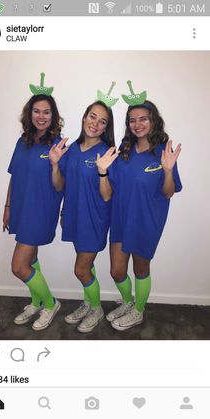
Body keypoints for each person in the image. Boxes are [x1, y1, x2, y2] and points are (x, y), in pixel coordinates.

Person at [102, 83, 182, 330]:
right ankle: (128, 301)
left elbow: (168, 192)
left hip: (147, 220)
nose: (137, 124)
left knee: (140, 267)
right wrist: (102, 172)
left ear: (153, 121)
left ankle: (138, 310)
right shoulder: (123, 152)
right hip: (121, 219)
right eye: (132, 120)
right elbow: (107, 195)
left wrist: (168, 171)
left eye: (143, 119)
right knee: (117, 271)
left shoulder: (163, 152)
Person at [50, 99, 119, 333]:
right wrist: (55, 165)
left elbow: (108, 196)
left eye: (102, 121)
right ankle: (89, 302)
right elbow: (60, 186)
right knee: (85, 267)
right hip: (74, 216)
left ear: (106, 127)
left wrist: (102, 171)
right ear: (84, 117)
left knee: (80, 269)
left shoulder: (107, 153)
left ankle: (97, 308)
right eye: (92, 116)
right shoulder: (71, 150)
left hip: (95, 219)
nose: (95, 123)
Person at [3, 77, 64, 331]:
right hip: (20, 207)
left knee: (19, 267)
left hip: (41, 210)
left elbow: (60, 186)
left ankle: (50, 303)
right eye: (36, 111)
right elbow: (14, 176)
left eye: (46, 112)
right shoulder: (23, 141)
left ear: (53, 116)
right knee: (31, 259)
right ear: (30, 114)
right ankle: (37, 300)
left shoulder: (58, 144)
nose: (41, 116)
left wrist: (54, 163)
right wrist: (7, 208)